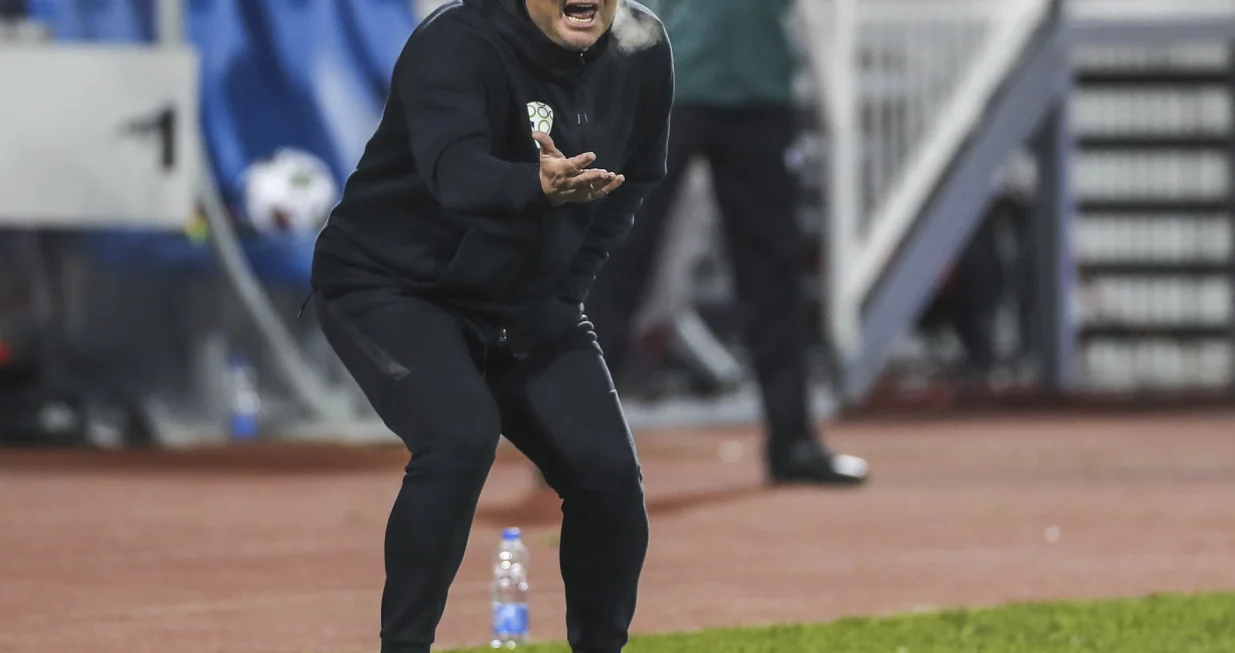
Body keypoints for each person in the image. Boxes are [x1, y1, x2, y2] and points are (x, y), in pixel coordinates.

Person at [308, 0, 673, 651]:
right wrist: (533, 184)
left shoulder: (642, 47)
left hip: (523, 298)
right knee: (459, 436)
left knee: (608, 478)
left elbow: (636, 178)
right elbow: (455, 173)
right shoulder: (454, 40)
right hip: (389, 284)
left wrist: (566, 286)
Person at [585, 0, 868, 486]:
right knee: (618, 257)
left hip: (760, 88)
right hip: (668, 85)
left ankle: (793, 442)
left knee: (773, 273)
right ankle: (576, 437)